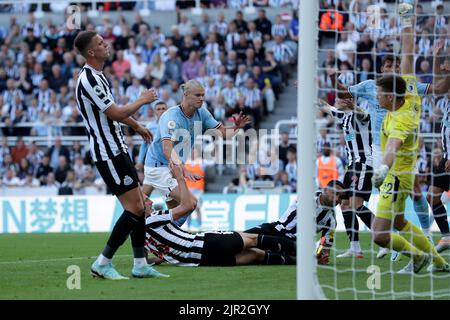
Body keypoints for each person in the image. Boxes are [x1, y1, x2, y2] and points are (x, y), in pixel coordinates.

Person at [329, 38, 450, 262]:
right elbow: (345, 95)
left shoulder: (409, 85)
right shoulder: (369, 87)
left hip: (402, 143)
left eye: (397, 66)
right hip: (377, 147)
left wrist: (439, 64)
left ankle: (422, 234)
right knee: (389, 193)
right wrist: (332, 80)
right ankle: (395, 238)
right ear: (382, 69)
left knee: (412, 189)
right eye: (389, 66)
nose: (394, 69)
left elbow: (440, 89)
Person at [73, 30, 168, 280]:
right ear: (91, 52)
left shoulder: (99, 76)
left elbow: (113, 113)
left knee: (142, 206)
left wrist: (137, 126)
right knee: (136, 207)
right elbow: (114, 113)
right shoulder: (89, 80)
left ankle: (140, 264)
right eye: (101, 43)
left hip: (118, 149)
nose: (107, 45)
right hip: (108, 153)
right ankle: (102, 262)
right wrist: (142, 100)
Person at [370, 3, 449, 274]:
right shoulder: (410, 90)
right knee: (401, 222)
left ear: (390, 96)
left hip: (394, 175)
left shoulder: (401, 120)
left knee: (379, 235)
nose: (377, 98)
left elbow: (393, 145)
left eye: (380, 94)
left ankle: (418, 256)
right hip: (404, 173)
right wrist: (406, 21)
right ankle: (438, 263)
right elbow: (408, 52)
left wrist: (382, 168)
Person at [142, 79, 251, 227]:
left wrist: (236, 127)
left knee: (178, 214)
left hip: (172, 168)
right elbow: (167, 149)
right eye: (197, 95)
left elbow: (225, 133)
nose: (202, 98)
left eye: (203, 95)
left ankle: (162, 235)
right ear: (186, 95)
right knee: (190, 203)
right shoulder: (171, 117)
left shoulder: (202, 113)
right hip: (159, 167)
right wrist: (184, 169)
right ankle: (152, 227)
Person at [144, 162, 295, 267]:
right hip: (204, 243)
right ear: (140, 207)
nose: (150, 200)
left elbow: (148, 259)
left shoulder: (141, 233)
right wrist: (179, 178)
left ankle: (293, 261)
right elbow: (189, 205)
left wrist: (167, 257)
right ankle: (304, 253)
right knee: (253, 239)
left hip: (199, 261)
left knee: (255, 255)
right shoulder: (153, 219)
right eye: (145, 200)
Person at [319, 98, 388, 259]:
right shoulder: (343, 116)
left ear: (349, 100)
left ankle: (386, 238)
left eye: (340, 98)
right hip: (351, 167)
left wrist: (355, 107)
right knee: (344, 204)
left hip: (363, 164)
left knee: (356, 205)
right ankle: (354, 247)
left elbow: (363, 116)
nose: (337, 101)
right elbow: (326, 107)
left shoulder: (360, 116)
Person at [245, 180, 348, 265]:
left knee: (254, 253)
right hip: (275, 228)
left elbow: (325, 244)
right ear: (325, 190)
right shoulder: (308, 196)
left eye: (341, 197)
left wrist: (320, 254)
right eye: (335, 193)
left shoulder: (332, 220)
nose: (338, 199)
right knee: (239, 238)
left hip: (291, 244)